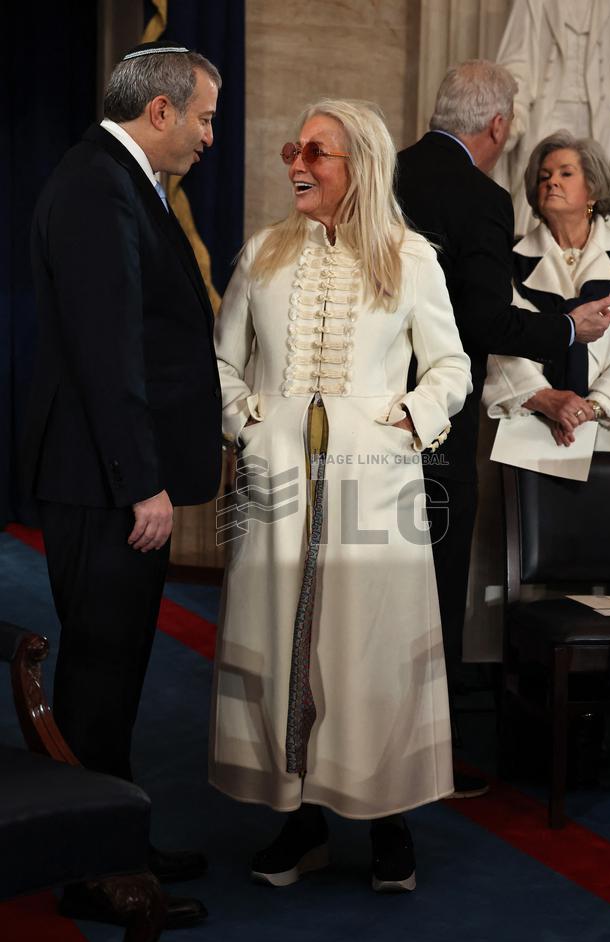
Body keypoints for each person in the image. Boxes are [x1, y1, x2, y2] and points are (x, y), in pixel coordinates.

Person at [210, 99, 472, 893]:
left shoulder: (412, 258)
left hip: (376, 493)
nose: (297, 164)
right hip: (279, 489)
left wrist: (405, 421)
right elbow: (222, 362)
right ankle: (302, 820)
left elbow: (452, 369)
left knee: (370, 650)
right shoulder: (261, 255)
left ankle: (388, 821)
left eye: (317, 153)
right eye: (294, 149)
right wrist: (250, 423)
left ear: (360, 163)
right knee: (287, 646)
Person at [24, 41, 223, 928]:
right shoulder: (98, 183)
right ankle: (93, 872)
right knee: (101, 678)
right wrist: (142, 482)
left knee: (117, 671)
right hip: (105, 484)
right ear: (161, 111)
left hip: (108, 478)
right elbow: (110, 353)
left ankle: (116, 843)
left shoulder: (115, 178)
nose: (211, 136)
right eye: (206, 117)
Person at [395, 61, 610, 797]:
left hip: (374, 414)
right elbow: (482, 322)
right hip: (437, 422)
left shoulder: (385, 174)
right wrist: (566, 330)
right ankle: (426, 759)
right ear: (496, 126)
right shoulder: (480, 200)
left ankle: (361, 746)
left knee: (377, 590)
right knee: (434, 586)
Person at [483, 131, 610, 461]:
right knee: (532, 515)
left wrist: (596, 405)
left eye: (565, 173)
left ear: (593, 190)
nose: (552, 182)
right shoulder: (507, 263)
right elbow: (492, 336)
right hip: (530, 432)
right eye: (544, 176)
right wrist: (544, 398)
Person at [494, 0, 610, 243]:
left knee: (593, 195)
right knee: (544, 187)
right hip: (547, 112)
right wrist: (515, 111)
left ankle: (589, 251)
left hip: (600, 119)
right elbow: (517, 63)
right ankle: (538, 257)